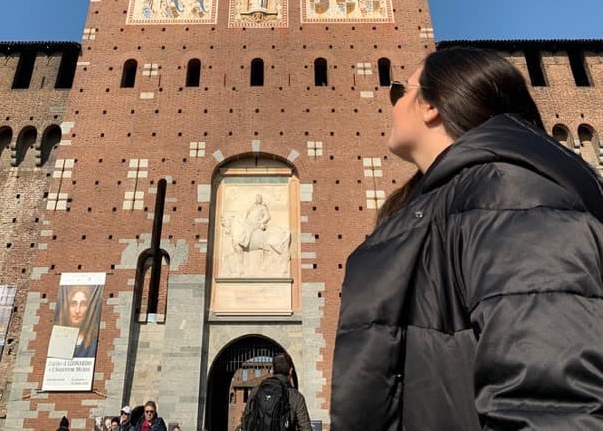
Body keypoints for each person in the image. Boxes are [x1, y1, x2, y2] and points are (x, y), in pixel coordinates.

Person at [331, 47, 603, 430]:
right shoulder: (440, 212)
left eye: (400, 92)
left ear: (430, 106)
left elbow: (551, 401)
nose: (392, 105)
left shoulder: (511, 198)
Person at [240, 352, 312, 431]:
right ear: (291, 370)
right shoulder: (296, 397)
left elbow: (245, 423)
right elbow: (306, 428)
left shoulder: (256, 391)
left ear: (272, 370)